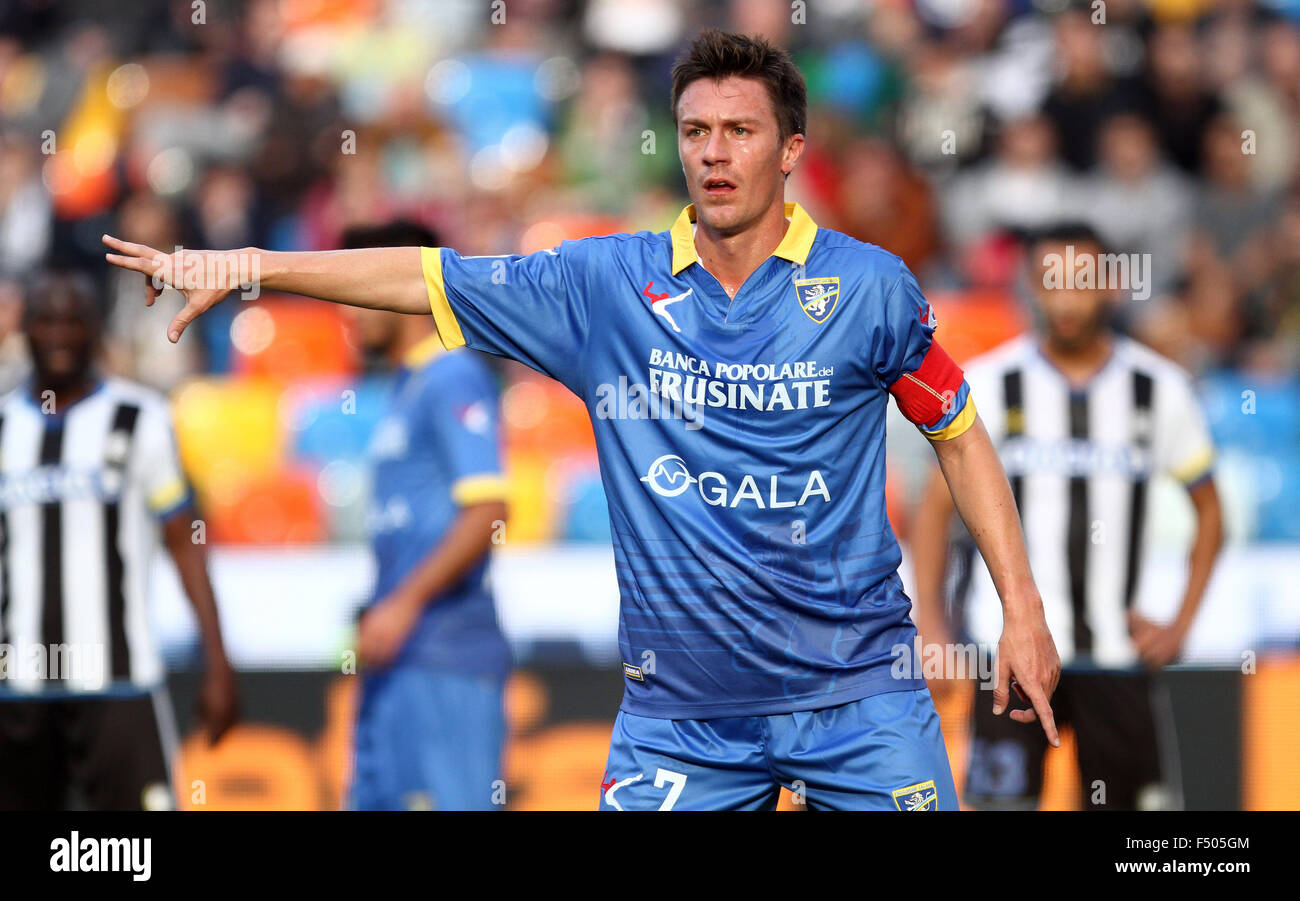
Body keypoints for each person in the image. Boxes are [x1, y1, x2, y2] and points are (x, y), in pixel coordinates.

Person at [102, 29, 1059, 811]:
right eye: (694, 132)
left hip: (858, 695)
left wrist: (1021, 610)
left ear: (792, 149)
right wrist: (248, 268)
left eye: (739, 130)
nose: (714, 153)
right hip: (684, 715)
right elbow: (424, 274)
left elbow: (960, 433)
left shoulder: (869, 288)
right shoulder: (602, 284)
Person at [911, 223, 1224, 810]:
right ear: (1031, 285)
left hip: (1116, 658)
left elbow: (1211, 512)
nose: (1067, 298)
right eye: (1053, 281)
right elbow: (933, 511)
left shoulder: (1158, 390)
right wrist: (932, 625)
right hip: (1004, 653)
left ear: (1110, 286)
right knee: (1001, 807)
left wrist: (1181, 623)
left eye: (1082, 281)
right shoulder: (990, 385)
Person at [0, 271, 237, 810]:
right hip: (17, 689)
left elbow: (184, 544)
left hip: (120, 681)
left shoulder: (140, 419)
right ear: (26, 330)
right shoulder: (2, 426)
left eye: (74, 320)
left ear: (96, 328)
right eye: (46, 320)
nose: (60, 334)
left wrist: (219, 664)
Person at [341, 221, 510, 811]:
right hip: (399, 656)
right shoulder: (407, 386)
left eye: (358, 285)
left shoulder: (452, 374)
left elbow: (489, 510)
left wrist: (404, 603)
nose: (348, 306)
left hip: (445, 655)